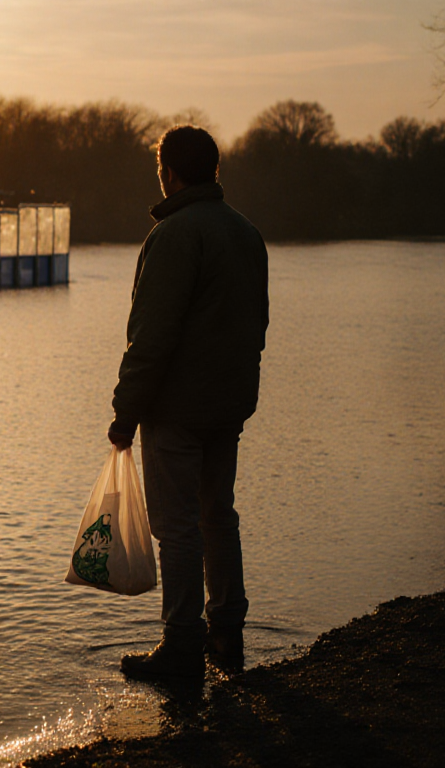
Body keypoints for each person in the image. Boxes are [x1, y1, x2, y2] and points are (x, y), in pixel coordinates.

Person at [109, 125, 268, 677]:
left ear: (170, 173)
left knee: (176, 527)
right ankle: (227, 633)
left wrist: (125, 412)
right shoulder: (246, 232)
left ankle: (180, 643)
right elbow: (258, 323)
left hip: (177, 408)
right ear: (214, 170)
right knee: (217, 516)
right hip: (229, 405)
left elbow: (152, 336)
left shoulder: (175, 234)